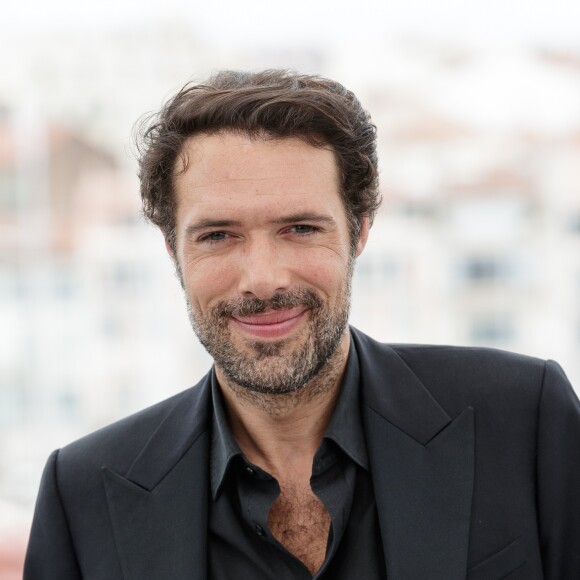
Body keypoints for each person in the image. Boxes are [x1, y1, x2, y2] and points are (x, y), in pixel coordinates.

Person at [24, 70, 580, 580]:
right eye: (218, 235)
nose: (262, 280)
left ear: (359, 230)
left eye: (299, 228)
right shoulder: (83, 495)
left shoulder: (525, 420)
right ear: (173, 249)